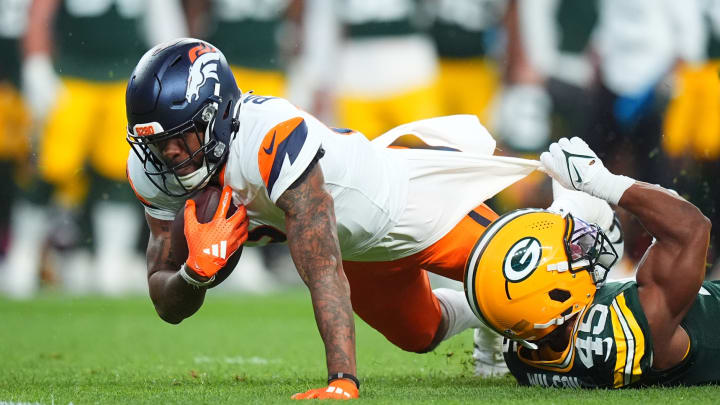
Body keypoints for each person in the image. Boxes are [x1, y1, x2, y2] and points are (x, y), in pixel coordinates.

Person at [125, 38, 542, 399]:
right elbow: (165, 302)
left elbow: (322, 267)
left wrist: (342, 380)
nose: (170, 154)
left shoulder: (268, 136)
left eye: (180, 135)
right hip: (358, 251)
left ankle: (504, 299)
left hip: (414, 205)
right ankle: (483, 313)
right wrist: (193, 276)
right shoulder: (154, 170)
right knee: (422, 335)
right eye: (157, 143)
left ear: (216, 116)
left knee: (529, 287)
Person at [465, 137, 715, 388]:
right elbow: (692, 227)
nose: (580, 249)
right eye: (570, 252)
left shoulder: (523, 351)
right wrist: (603, 182)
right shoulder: (633, 324)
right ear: (555, 294)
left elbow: (497, 292)